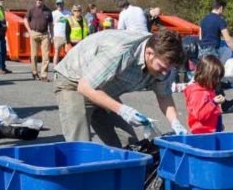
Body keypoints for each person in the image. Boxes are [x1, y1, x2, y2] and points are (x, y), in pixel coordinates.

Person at [54, 30, 188, 147]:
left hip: (105, 87)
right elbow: (85, 86)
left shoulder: (162, 62)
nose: (165, 73)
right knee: (81, 147)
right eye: (162, 68)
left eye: (169, 69)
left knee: (130, 145)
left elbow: (163, 95)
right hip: (74, 82)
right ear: (149, 53)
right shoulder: (122, 50)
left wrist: (175, 122)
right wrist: (122, 110)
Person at [184, 55, 225, 134]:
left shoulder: (208, 90)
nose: (218, 81)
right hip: (202, 133)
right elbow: (200, 115)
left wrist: (218, 123)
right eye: (216, 78)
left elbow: (211, 111)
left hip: (212, 130)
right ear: (207, 75)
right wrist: (213, 102)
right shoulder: (197, 93)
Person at [23, 0, 53, 81]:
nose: (39, 1)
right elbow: (25, 20)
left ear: (43, 0)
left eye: (41, 0)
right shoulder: (32, 10)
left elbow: (51, 23)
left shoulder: (48, 10)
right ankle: (35, 72)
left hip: (45, 34)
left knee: (46, 56)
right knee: (34, 55)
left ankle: (44, 75)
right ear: (35, 0)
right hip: (34, 33)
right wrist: (29, 31)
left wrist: (52, 34)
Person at [51, 0, 71, 67]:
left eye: (61, 4)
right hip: (57, 36)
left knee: (68, 52)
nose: (59, 5)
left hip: (66, 36)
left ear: (63, 4)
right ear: (56, 5)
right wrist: (51, 36)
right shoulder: (53, 13)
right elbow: (50, 25)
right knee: (57, 53)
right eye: (58, 4)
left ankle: (67, 67)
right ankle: (55, 68)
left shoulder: (68, 13)